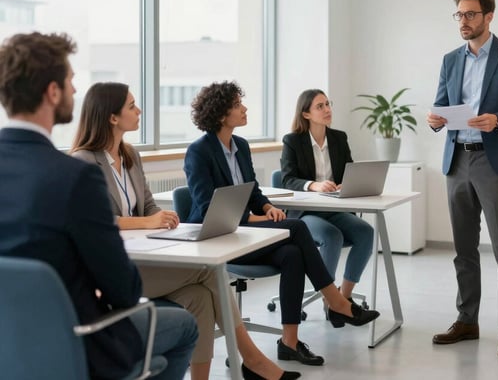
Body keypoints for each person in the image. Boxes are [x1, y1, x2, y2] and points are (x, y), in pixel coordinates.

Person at [0, 32, 198, 380]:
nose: (75, 91)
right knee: (184, 326)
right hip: (76, 340)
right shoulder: (74, 177)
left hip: (10, 345)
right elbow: (124, 290)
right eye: (70, 81)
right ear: (52, 91)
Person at [70, 82, 300, 380]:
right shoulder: (84, 161)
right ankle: (252, 358)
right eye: (132, 106)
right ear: (112, 117)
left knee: (199, 298)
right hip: (114, 270)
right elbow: (96, 220)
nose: (139, 111)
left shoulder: (130, 155)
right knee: (210, 270)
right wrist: (147, 222)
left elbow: (149, 204)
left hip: (147, 255)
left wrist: (160, 216)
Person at [184, 81, 380, 367]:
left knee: (292, 254)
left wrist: (267, 207)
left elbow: (252, 189)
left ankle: (289, 342)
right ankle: (336, 302)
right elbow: (205, 206)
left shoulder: (239, 145)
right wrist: (253, 218)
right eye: (239, 105)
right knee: (298, 227)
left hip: (245, 231)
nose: (245, 108)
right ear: (222, 114)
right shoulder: (199, 152)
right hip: (219, 236)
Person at [427, 0, 498, 358]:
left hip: (494, 162)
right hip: (457, 159)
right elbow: (443, 104)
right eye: (459, 14)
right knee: (463, 248)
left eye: (471, 14)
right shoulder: (449, 60)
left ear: (489, 16)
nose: (463, 21)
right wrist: (435, 118)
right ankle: (467, 319)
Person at [280, 89, 374, 302]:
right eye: (319, 106)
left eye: (328, 104)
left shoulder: (339, 138)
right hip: (306, 212)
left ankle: (343, 298)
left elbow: (349, 172)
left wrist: (347, 184)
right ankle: (330, 299)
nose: (327, 110)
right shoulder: (292, 141)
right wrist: (314, 185)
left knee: (366, 233)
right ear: (306, 114)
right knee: (332, 236)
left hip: (334, 208)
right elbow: (287, 179)